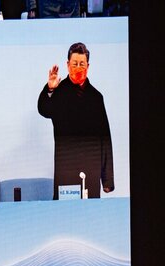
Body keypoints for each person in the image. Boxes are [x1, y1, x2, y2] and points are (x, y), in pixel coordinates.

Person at [37, 42, 114, 200]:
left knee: (90, 217)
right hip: (66, 168)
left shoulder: (96, 97)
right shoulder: (58, 92)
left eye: (82, 64)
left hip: (91, 168)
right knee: (65, 217)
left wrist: (107, 180)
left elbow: (105, 138)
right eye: (74, 63)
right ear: (67, 64)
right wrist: (50, 89)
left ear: (88, 66)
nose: (78, 67)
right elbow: (44, 110)